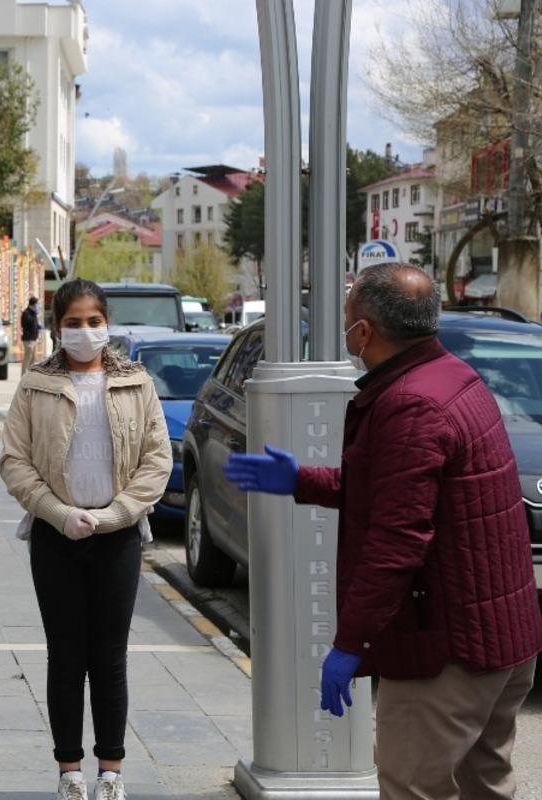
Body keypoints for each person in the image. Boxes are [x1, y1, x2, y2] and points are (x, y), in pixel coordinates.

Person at [223, 262, 542, 800]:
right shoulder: (452, 377)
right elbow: (403, 490)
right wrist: (303, 480)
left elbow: (397, 540)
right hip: (503, 638)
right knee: (487, 784)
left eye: (349, 315)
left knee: (410, 787)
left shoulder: (410, 402)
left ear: (364, 331)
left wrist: (350, 643)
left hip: (446, 653)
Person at [0, 279, 172, 800]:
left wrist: (115, 515)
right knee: (66, 655)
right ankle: (69, 772)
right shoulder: (35, 384)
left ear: (107, 323)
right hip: (56, 536)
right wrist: (57, 512)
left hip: (117, 537)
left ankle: (111, 773)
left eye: (93, 321)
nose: (84, 331)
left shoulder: (136, 382)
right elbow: (15, 460)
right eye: (73, 322)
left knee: (110, 656)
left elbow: (156, 460)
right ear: (57, 327)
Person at [20, 295, 41, 370]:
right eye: (36, 304)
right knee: (27, 357)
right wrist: (34, 316)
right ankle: (24, 375)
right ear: (32, 304)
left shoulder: (33, 313)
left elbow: (35, 324)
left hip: (34, 338)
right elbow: (26, 323)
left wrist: (39, 326)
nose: (37, 306)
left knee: (33, 358)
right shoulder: (26, 313)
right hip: (28, 339)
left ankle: (29, 375)